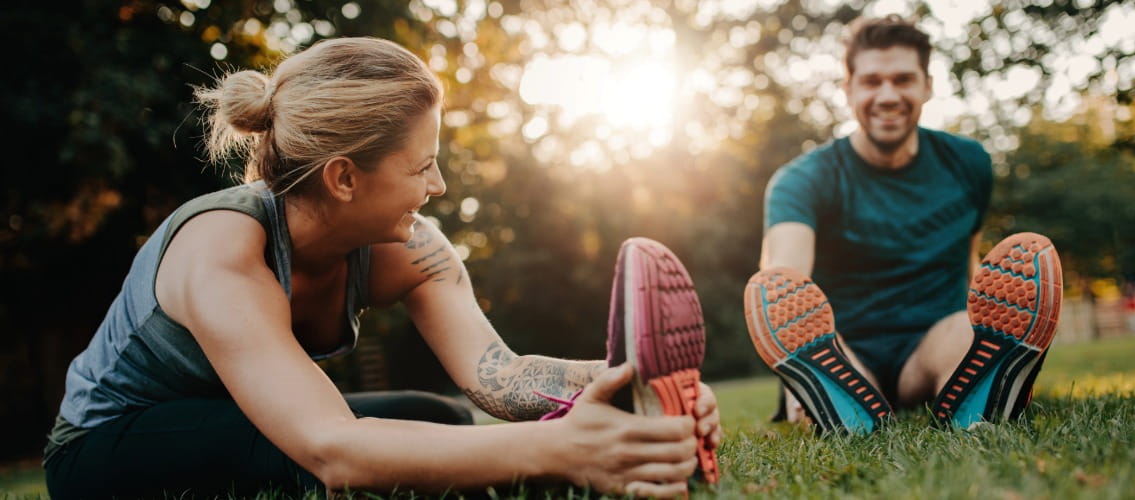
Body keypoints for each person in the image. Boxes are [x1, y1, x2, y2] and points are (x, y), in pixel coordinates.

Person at [43, 37, 720, 498]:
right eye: (422, 165)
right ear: (343, 178)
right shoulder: (223, 249)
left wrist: (633, 381)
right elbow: (332, 448)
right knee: (316, 461)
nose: (441, 185)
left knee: (442, 421)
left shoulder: (411, 249)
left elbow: (501, 377)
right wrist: (561, 451)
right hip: (110, 443)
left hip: (249, 422)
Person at [742, 15, 1062, 433]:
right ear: (849, 89)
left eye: (903, 79)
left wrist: (987, 318)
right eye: (872, 81)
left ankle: (984, 389)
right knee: (827, 355)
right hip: (846, 347)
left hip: (932, 343)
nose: (888, 95)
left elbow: (968, 258)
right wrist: (788, 368)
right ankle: (820, 391)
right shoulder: (803, 180)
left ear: (927, 85)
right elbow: (784, 282)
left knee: (967, 335)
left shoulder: (969, 163)